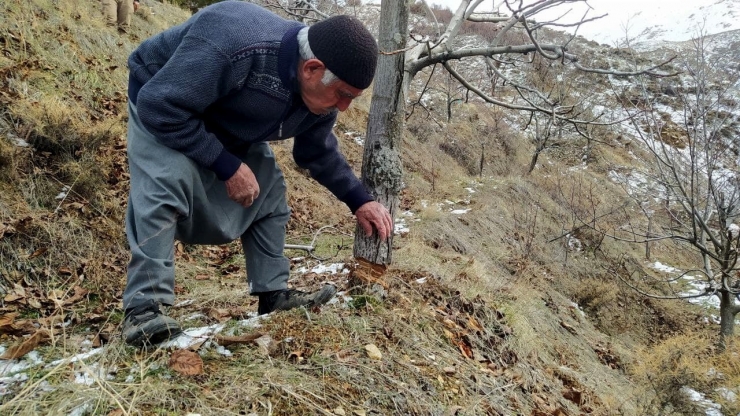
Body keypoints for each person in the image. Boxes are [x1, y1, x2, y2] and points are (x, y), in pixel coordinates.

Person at [121, 0, 393, 347]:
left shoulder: (317, 97)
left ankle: (273, 295)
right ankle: (145, 310)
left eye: (352, 98)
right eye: (342, 95)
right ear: (311, 68)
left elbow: (315, 153)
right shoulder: (235, 41)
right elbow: (160, 105)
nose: (344, 107)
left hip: (227, 118)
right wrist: (227, 165)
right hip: (164, 102)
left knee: (270, 191)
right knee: (164, 183)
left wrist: (360, 201)